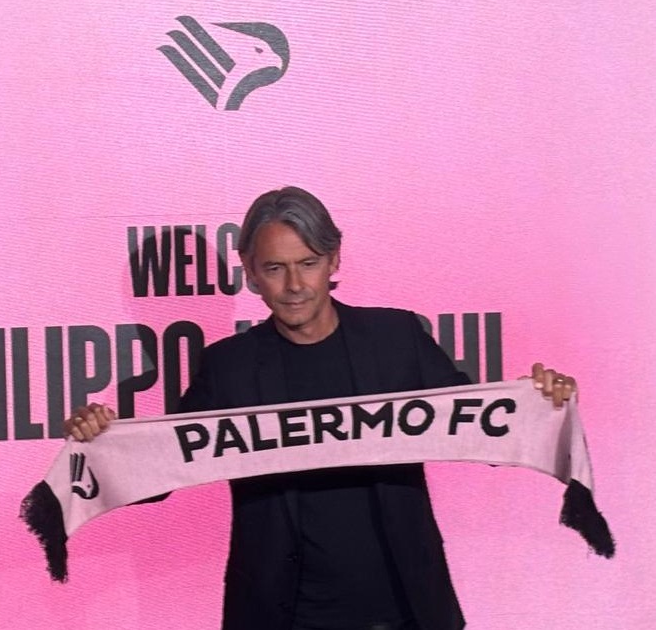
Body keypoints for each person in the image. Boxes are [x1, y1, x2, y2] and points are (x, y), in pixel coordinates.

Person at [65, 187, 577, 630]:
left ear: (334, 260)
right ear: (251, 273)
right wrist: (100, 443)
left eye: (308, 263)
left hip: (404, 609)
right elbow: (159, 472)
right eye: (274, 268)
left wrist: (538, 403)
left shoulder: (396, 338)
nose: (294, 286)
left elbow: (482, 430)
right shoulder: (229, 367)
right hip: (280, 614)